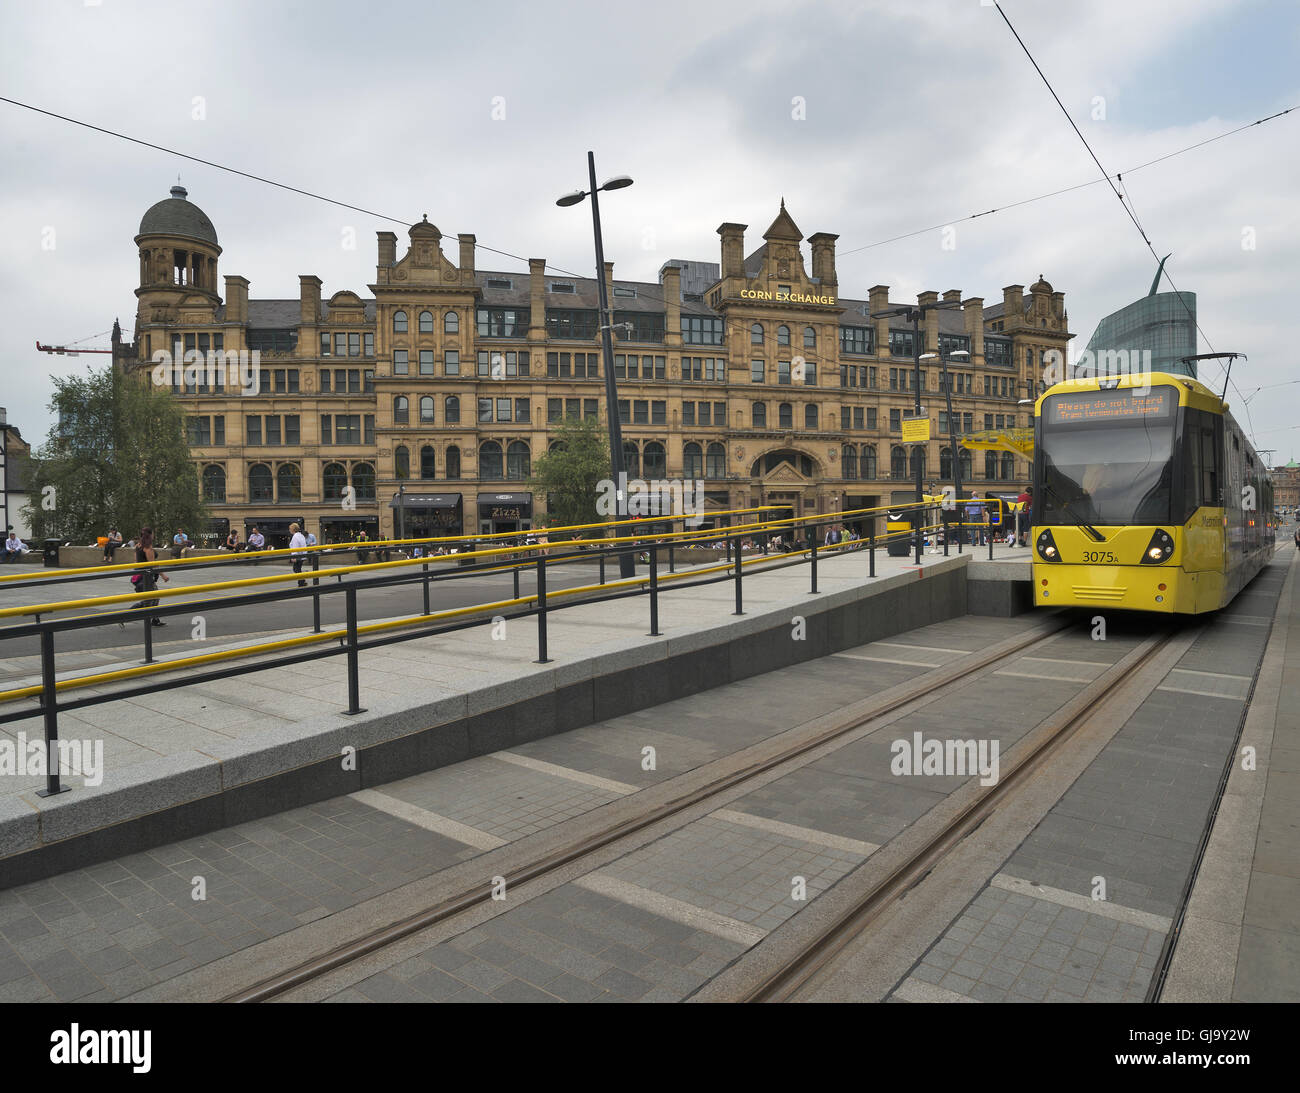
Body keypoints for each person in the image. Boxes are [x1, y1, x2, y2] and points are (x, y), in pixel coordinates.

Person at [127, 526, 169, 627]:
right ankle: (124, 616)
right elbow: (153, 564)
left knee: (153, 598)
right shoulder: (148, 548)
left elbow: (136, 561)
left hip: (140, 575)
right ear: (150, 535)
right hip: (145, 576)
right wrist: (163, 575)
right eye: (153, 533)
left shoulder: (138, 545)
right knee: (150, 600)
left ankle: (154, 619)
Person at [289, 522, 308, 587]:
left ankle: (302, 582)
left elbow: (295, 547)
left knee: (296, 569)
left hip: (298, 556)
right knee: (298, 569)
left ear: (292, 529)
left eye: (290, 529)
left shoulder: (295, 536)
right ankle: (302, 582)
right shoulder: (301, 535)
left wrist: (294, 556)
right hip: (302, 555)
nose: (289, 530)